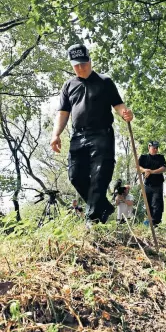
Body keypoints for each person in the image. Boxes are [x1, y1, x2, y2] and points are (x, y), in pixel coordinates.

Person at [50, 44, 133, 226]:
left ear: (90, 60)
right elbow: (63, 113)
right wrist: (56, 134)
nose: (80, 67)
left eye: (83, 63)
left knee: (99, 175)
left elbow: (118, 105)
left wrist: (126, 113)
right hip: (78, 136)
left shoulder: (105, 81)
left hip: (102, 135)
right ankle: (103, 205)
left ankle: (92, 219)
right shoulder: (68, 86)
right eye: (76, 65)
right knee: (75, 175)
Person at [138, 141, 166, 226]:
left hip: (157, 184)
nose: (155, 149)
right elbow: (138, 167)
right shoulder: (143, 157)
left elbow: (164, 168)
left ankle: (156, 222)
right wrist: (145, 170)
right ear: (149, 147)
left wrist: (152, 171)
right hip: (147, 184)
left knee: (156, 203)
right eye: (153, 147)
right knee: (148, 203)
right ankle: (150, 221)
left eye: (157, 148)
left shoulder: (160, 157)